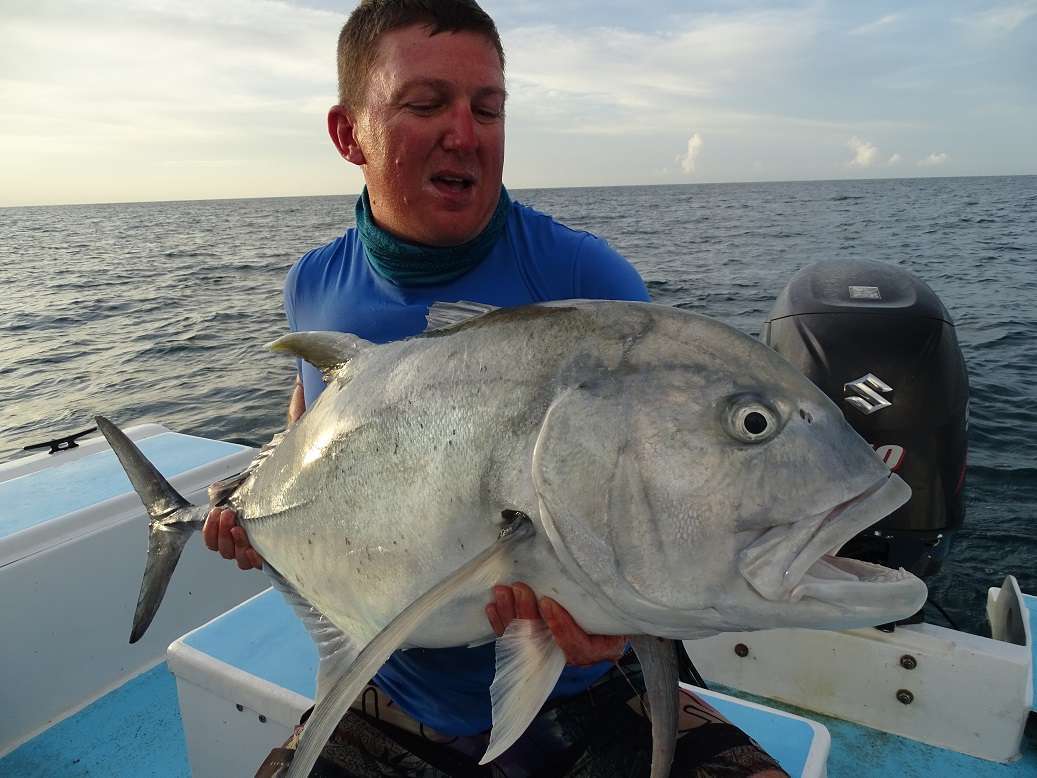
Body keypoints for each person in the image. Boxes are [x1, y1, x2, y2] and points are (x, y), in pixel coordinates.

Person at [205, 2, 787, 776]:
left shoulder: (587, 286)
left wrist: (619, 621)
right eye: (425, 103)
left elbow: (646, 493)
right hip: (386, 684)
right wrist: (254, 502)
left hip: (589, 685)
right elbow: (314, 419)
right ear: (349, 135)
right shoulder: (313, 282)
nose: (464, 132)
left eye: (487, 108)